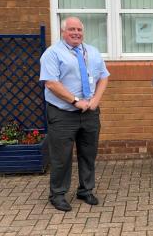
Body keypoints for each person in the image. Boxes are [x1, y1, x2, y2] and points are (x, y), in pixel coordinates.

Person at [40, 16, 110, 212]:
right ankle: (58, 194)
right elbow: (51, 83)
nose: (76, 33)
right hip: (63, 113)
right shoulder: (52, 53)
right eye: (72, 29)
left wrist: (95, 100)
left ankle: (85, 190)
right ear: (63, 32)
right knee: (61, 157)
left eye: (79, 29)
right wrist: (74, 101)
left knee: (88, 153)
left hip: (90, 113)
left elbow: (104, 77)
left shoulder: (92, 52)